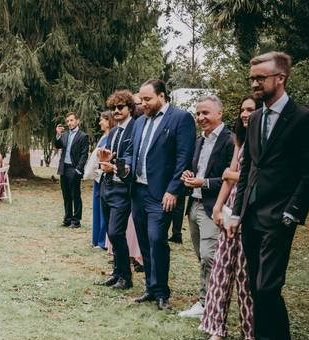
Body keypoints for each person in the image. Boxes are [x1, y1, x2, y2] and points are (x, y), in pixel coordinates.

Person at [227, 52, 309, 340]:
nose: (255, 83)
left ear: (280, 78)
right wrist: (236, 212)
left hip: (280, 217)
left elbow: (307, 172)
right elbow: (248, 166)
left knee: (268, 286)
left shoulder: (302, 118)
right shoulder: (256, 118)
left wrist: (293, 212)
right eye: (252, 78)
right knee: (253, 282)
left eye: (260, 78)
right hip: (251, 215)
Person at [122, 80, 195, 310]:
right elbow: (131, 152)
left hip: (161, 194)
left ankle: (162, 292)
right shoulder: (139, 122)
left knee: (157, 241)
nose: (142, 104)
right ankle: (150, 289)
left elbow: (184, 157)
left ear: (162, 96)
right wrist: (124, 167)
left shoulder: (180, 118)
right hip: (138, 191)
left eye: (147, 100)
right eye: (140, 100)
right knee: (144, 241)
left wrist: (173, 189)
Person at [199, 98, 256, 340]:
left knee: (245, 275)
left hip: (250, 211)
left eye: (250, 110)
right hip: (230, 208)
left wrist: (230, 174)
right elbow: (229, 179)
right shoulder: (239, 141)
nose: (245, 114)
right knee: (221, 270)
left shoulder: (264, 141)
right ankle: (215, 328)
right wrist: (218, 206)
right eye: (243, 110)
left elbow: (253, 175)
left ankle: (250, 333)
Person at [178, 96, 235, 319]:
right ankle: (209, 298)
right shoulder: (199, 141)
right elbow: (196, 171)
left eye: (206, 113)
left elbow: (233, 179)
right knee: (200, 256)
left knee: (208, 256)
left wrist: (205, 182)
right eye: (198, 113)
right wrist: (188, 175)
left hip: (213, 207)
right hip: (194, 204)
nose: (201, 118)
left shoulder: (230, 141)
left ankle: (207, 304)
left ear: (219, 113)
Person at [99, 91, 138, 289]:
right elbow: (111, 158)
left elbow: (130, 161)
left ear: (130, 108)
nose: (116, 111)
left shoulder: (135, 129)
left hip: (123, 189)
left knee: (116, 232)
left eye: (120, 107)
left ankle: (127, 277)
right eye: (113, 108)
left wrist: (113, 166)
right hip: (107, 186)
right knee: (110, 232)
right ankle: (117, 272)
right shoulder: (113, 132)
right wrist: (106, 159)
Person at [54, 112, 90, 228]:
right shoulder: (65, 135)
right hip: (64, 168)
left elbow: (84, 155)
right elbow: (58, 145)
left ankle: (76, 220)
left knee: (75, 195)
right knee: (66, 195)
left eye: (71, 120)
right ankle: (68, 219)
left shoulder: (83, 136)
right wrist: (58, 134)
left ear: (77, 121)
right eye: (68, 121)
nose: (69, 123)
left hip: (74, 169)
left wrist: (78, 170)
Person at [85, 111, 112, 249]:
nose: (100, 122)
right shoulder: (103, 136)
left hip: (104, 176)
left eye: (102, 120)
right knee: (97, 208)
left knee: (103, 209)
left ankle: (103, 242)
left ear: (108, 121)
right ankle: (96, 239)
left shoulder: (110, 137)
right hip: (97, 177)